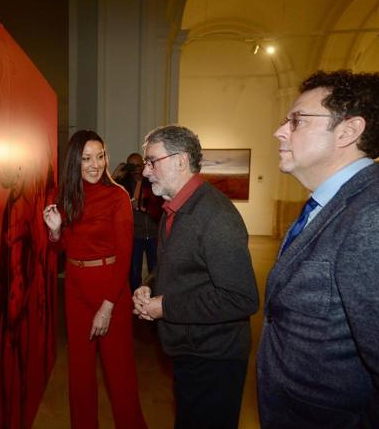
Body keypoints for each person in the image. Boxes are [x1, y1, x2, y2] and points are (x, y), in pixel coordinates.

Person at [257, 70, 379, 428]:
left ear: (348, 131)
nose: (279, 131)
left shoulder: (375, 216)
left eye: (297, 121)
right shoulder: (331, 204)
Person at [133, 125, 259, 429]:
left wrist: (166, 307)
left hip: (215, 358)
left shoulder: (216, 217)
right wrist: (148, 287)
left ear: (180, 160)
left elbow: (241, 299)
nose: (146, 172)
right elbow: (169, 266)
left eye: (152, 161)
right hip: (189, 350)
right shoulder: (172, 209)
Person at [43, 130, 147, 429]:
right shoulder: (67, 196)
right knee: (80, 373)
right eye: (87, 158)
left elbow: (125, 256)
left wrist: (108, 305)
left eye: (100, 156)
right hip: (75, 288)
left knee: (119, 374)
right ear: (75, 161)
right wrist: (54, 231)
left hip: (109, 289)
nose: (95, 164)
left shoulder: (117, 196)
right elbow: (61, 248)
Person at [113, 153, 163, 292]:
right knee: (134, 272)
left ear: (143, 164)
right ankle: (136, 301)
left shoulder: (152, 181)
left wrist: (145, 207)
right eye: (131, 166)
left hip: (153, 233)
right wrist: (116, 173)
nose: (135, 169)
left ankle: (154, 299)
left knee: (155, 269)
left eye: (138, 165)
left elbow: (161, 205)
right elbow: (109, 194)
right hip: (135, 235)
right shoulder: (123, 184)